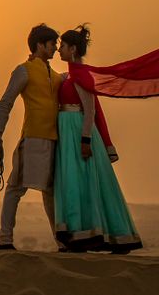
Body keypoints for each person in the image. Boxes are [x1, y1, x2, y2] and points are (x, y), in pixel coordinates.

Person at [54, 25, 142, 253]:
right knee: (78, 183)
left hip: (78, 134)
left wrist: (85, 140)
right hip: (70, 133)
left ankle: (96, 234)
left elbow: (90, 109)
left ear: (72, 48)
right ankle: (81, 234)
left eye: (62, 46)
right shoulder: (73, 75)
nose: (59, 50)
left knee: (86, 183)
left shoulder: (81, 76)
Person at [0, 24, 62, 250]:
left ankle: (61, 241)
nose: (55, 49)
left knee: (51, 193)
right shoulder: (23, 71)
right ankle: (5, 239)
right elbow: (6, 101)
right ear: (40, 45)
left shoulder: (58, 77)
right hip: (31, 139)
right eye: (52, 45)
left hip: (54, 141)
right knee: (15, 188)